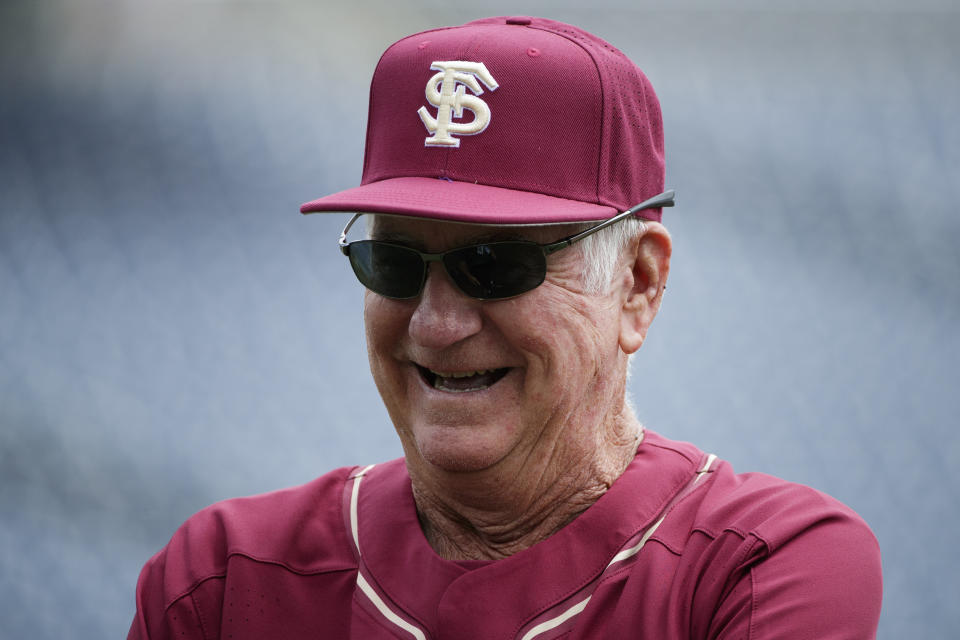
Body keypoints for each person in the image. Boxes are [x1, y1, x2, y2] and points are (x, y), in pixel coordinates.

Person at [128, 16, 882, 639]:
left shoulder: (758, 568)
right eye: (392, 259)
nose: (437, 321)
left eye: (495, 262)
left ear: (637, 284)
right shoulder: (224, 578)